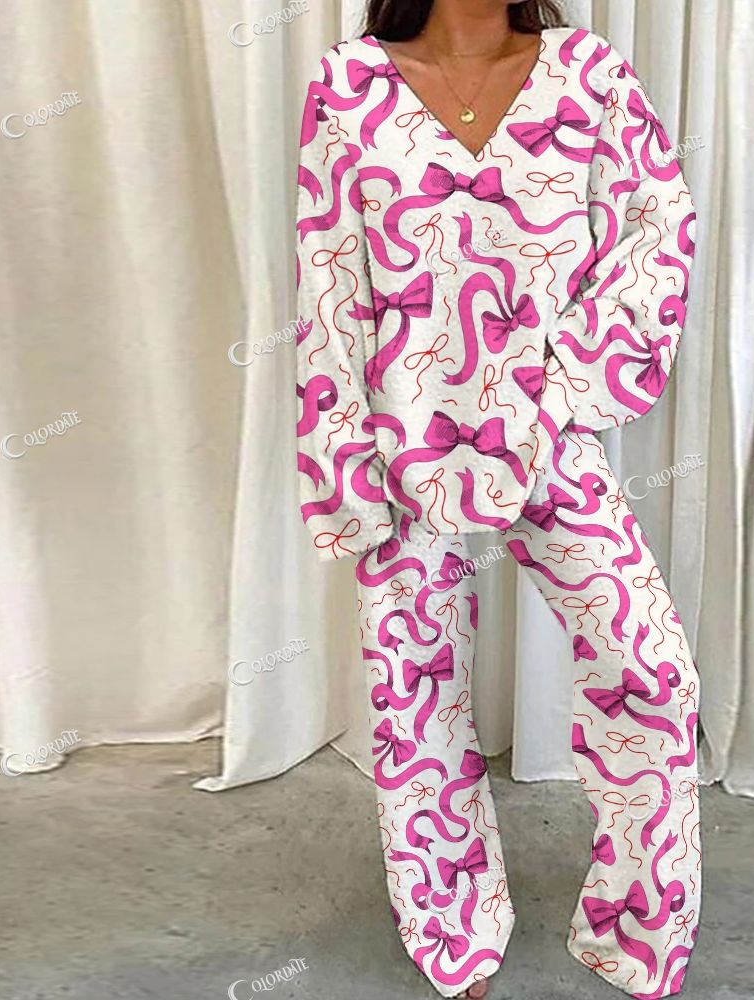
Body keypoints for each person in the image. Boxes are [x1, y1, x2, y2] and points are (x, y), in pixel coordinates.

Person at [294, 1, 700, 997]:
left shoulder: (589, 75)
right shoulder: (349, 85)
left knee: (651, 673)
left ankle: (638, 921)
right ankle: (453, 928)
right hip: (402, 439)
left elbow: (659, 232)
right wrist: (344, 463)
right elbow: (328, 283)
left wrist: (565, 389)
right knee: (413, 691)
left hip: (545, 434)